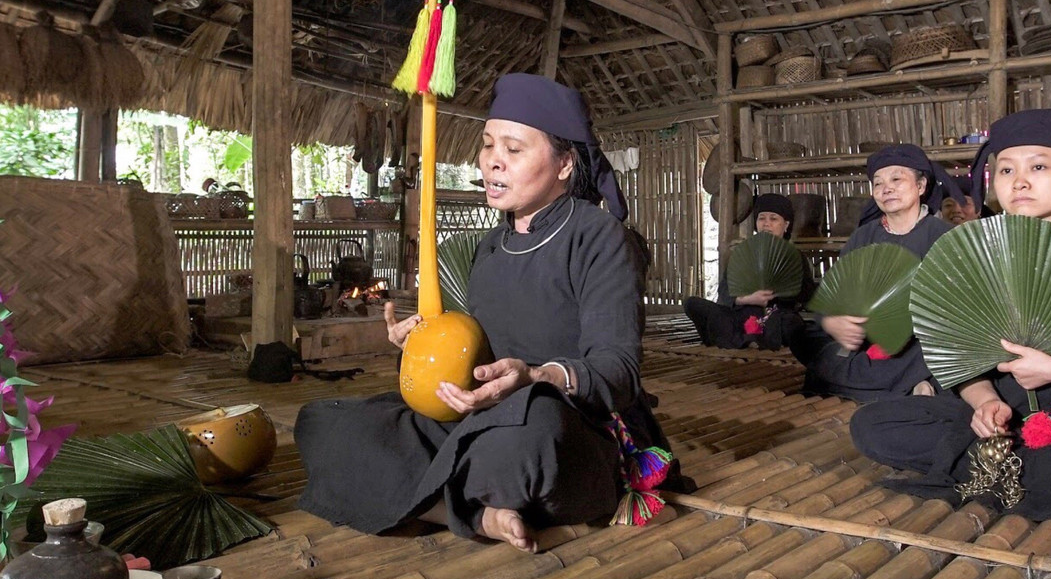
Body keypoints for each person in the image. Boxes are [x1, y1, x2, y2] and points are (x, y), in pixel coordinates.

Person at [294, 73, 681, 554]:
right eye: (487, 144)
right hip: (485, 417)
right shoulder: (492, 246)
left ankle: (432, 497)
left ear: (564, 164)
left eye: (514, 149)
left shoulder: (600, 238)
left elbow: (617, 374)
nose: (492, 160)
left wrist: (534, 374)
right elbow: (474, 359)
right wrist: (421, 347)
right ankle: (476, 513)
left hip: (569, 423)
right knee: (323, 423)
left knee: (532, 437)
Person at [849, 107, 1051, 520]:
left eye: (1040, 166)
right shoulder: (979, 256)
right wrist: (985, 401)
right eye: (1006, 171)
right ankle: (1013, 464)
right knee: (872, 425)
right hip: (1009, 411)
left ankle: (997, 467)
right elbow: (959, 360)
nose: (1020, 181)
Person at [790, 143, 963, 400]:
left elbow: (959, 314)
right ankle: (903, 386)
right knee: (803, 335)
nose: (886, 188)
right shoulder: (864, 236)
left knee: (947, 351)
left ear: (921, 186)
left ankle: (914, 382)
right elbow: (833, 294)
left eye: (896, 179)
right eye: (878, 183)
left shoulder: (943, 237)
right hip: (864, 342)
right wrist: (833, 321)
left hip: (919, 347)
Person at [683, 193, 815, 350]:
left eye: (773, 219)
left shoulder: (795, 256)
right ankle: (748, 339)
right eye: (762, 218)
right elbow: (725, 292)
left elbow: (807, 295)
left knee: (792, 324)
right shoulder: (743, 253)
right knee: (692, 303)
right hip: (740, 316)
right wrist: (746, 299)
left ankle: (736, 339)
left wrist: (780, 290)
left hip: (772, 316)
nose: (766, 224)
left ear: (786, 225)